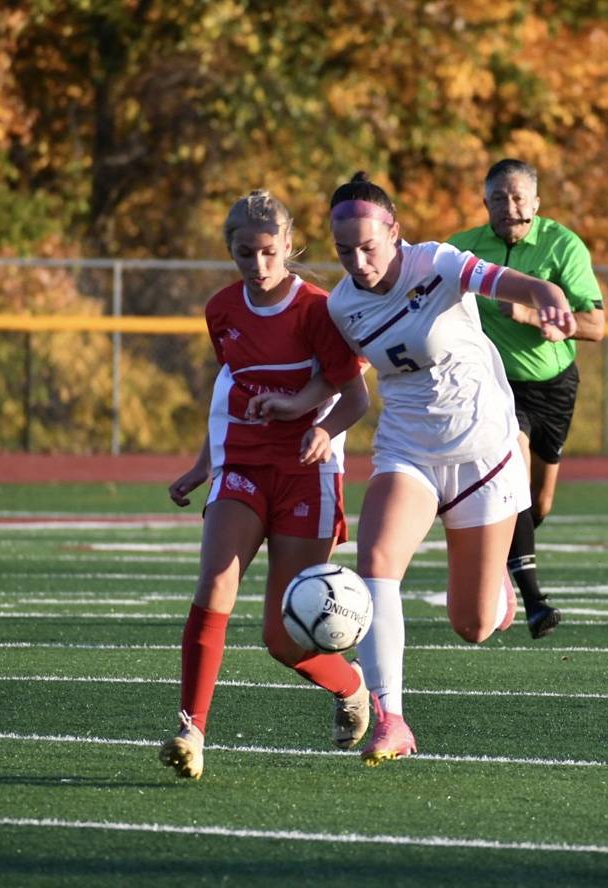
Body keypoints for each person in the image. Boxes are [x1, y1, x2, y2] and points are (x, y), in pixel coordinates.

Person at [251, 172, 576, 766]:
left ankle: (499, 594)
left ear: (394, 233)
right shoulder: (344, 305)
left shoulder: (438, 262)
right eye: (343, 249)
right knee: (376, 567)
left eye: (368, 246)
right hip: (408, 450)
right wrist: (309, 411)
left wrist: (545, 294)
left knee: (474, 625)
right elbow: (343, 378)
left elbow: (500, 279)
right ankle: (391, 719)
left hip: (484, 450)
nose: (357, 260)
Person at [159, 189, 370, 781]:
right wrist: (204, 463)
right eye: (245, 254)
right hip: (242, 466)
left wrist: (324, 431)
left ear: (288, 247)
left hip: (308, 472)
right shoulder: (221, 309)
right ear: (230, 252)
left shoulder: (317, 310)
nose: (258, 266)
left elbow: (353, 396)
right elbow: (231, 387)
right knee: (214, 586)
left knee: (283, 639)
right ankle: (191, 730)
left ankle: (351, 686)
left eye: (269, 253)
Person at [448, 159, 605, 639]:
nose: (510, 207)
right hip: (494, 387)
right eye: (499, 198)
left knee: (537, 503)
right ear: (485, 202)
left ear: (536, 203)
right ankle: (534, 601)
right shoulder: (463, 250)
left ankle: (502, 551)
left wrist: (529, 315)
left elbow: (596, 327)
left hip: (553, 385)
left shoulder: (562, 246)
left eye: (519, 198)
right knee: (510, 470)